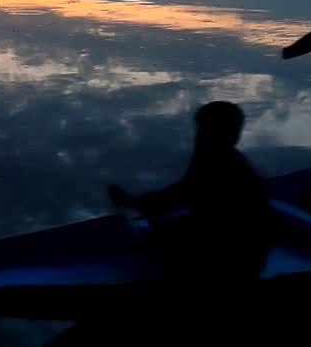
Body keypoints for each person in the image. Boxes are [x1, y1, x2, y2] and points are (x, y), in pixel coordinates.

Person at [107, 101, 270, 282]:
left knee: (158, 240)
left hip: (237, 259)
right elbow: (184, 192)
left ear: (228, 135)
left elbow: (180, 196)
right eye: (199, 130)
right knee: (163, 231)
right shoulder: (216, 156)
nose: (197, 136)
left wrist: (133, 203)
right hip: (230, 239)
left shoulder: (224, 166)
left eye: (204, 131)